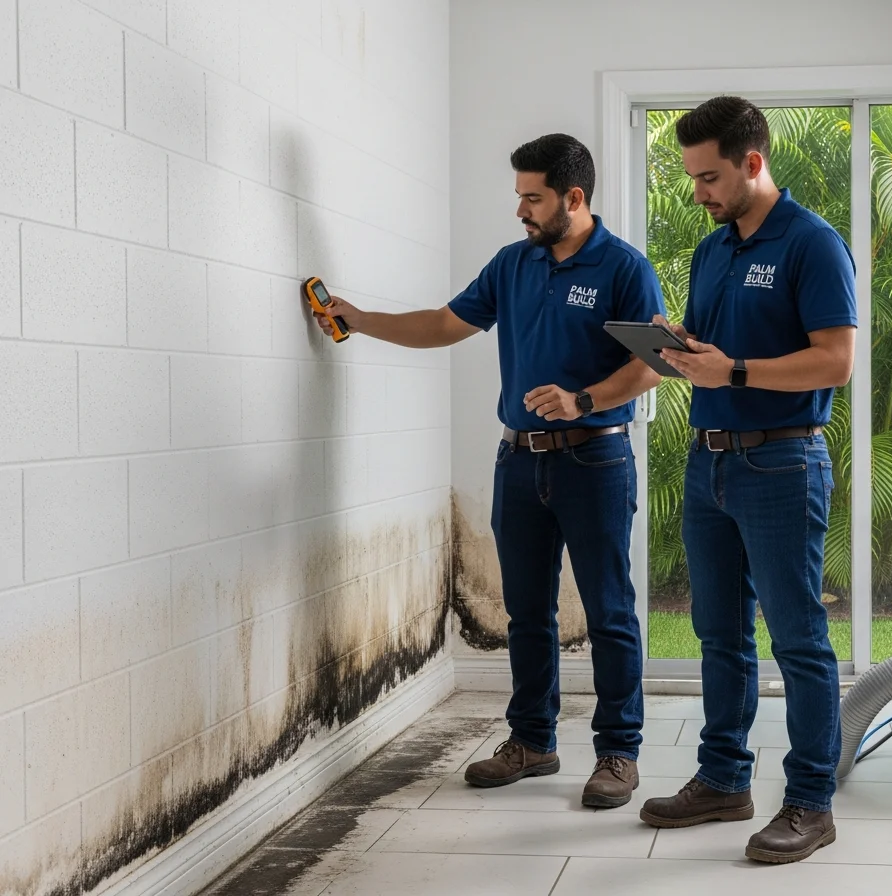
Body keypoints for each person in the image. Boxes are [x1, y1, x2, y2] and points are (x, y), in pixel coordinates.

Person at [313, 133, 664, 809]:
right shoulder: (513, 265)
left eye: (532, 198)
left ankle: (618, 753)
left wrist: (582, 399)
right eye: (519, 197)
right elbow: (445, 323)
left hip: (596, 460)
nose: (521, 211)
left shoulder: (623, 268)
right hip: (518, 462)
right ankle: (532, 741)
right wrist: (359, 320)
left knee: (610, 611)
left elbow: (652, 364)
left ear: (574, 197)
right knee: (526, 613)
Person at [637, 97, 857, 863]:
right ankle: (725, 780)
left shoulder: (812, 244)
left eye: (708, 176)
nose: (697, 192)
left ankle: (809, 802)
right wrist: (681, 348)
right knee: (718, 634)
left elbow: (836, 359)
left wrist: (731, 368)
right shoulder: (713, 249)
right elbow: (712, 347)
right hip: (710, 459)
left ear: (752, 163)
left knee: (798, 639)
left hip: (781, 460)